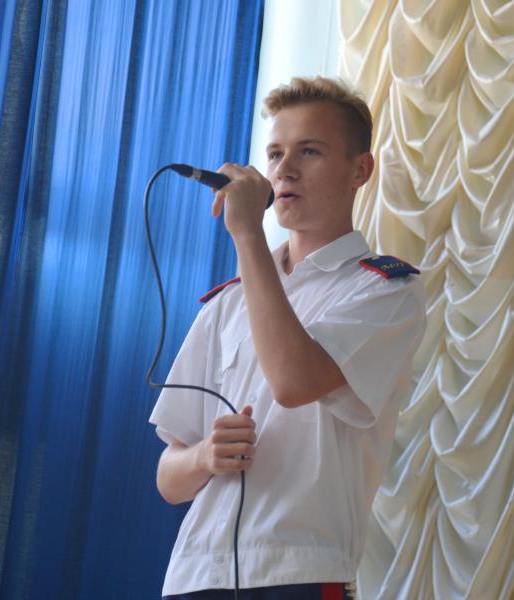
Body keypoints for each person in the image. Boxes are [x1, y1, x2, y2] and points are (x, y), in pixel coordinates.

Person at [149, 77, 426, 599]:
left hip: (296, 573)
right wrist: (205, 455)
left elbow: (294, 382)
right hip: (195, 575)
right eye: (275, 154)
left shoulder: (385, 289)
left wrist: (248, 233)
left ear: (360, 170)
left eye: (309, 151)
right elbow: (169, 479)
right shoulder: (229, 302)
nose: (284, 170)